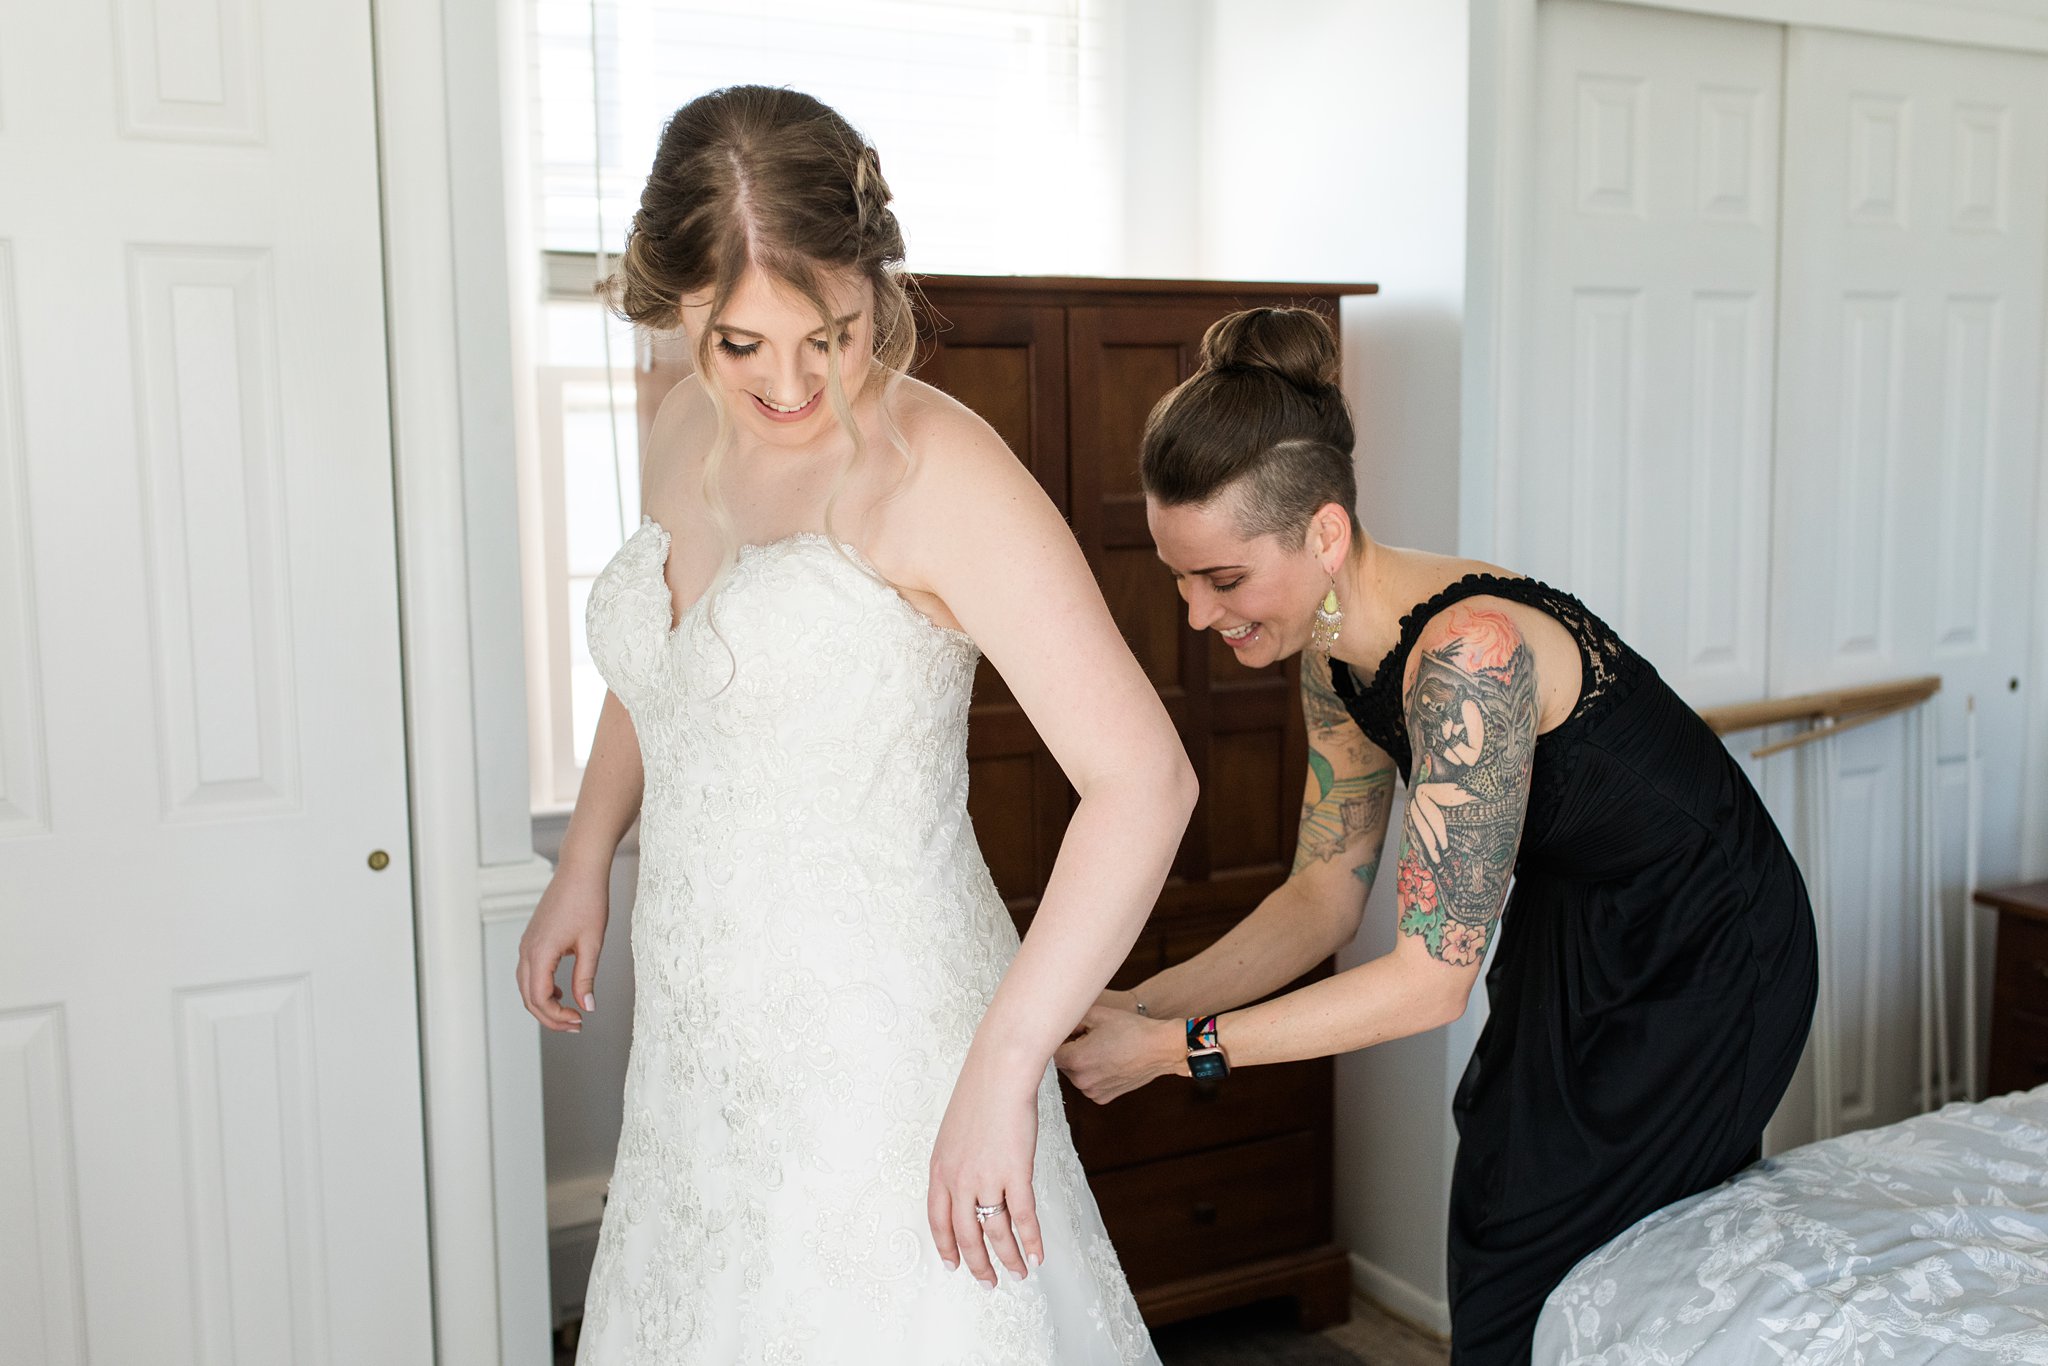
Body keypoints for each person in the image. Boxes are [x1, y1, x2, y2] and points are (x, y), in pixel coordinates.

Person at [516, 86, 1189, 1365]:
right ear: (678, 315)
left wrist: (1003, 1068)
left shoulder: (939, 471)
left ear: (875, 281)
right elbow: (672, 669)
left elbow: (1144, 781)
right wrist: (586, 854)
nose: (787, 383)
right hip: (703, 1037)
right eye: (737, 345)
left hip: (893, 1047)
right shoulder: (675, 430)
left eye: (826, 332)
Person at [1053, 307, 1817, 1365]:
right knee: (1503, 1217)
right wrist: (1143, 1001)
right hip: (1576, 926)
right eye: (1178, 576)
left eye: (1221, 578)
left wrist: (1179, 1053)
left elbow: (1426, 982)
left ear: (1322, 532)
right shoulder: (1329, 650)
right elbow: (1321, 896)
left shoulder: (1472, 659)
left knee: (1590, 1251)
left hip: (1710, 948)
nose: (1192, 614)